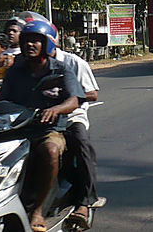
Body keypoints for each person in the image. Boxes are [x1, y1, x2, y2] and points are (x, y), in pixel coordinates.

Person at [0, 19, 84, 232]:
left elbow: (74, 100)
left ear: (47, 44)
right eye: (27, 40)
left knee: (51, 150)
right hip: (16, 131)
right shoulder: (15, 71)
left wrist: (56, 109)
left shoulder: (61, 70)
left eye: (36, 40)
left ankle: (37, 210)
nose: (30, 45)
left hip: (48, 130)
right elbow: (1, 101)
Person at [54, 37, 100, 229]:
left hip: (72, 116)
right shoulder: (24, 65)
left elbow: (92, 93)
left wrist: (66, 98)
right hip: (38, 118)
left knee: (81, 146)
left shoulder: (73, 63)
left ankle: (84, 202)